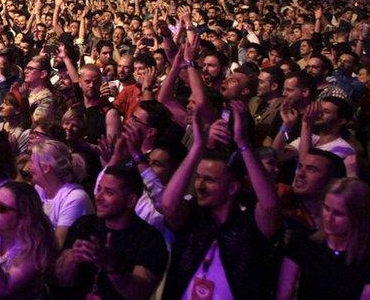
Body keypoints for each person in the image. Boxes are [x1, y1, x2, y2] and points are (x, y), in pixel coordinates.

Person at [161, 100, 281, 299]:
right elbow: (168, 205)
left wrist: (243, 144)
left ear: (232, 187)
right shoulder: (192, 215)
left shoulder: (248, 223)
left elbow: (270, 207)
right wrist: (197, 146)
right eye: (198, 178)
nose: (199, 185)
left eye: (209, 180)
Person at [56, 164, 169, 299]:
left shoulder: (150, 240)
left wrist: (112, 267)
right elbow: (62, 279)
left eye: (109, 192)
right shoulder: (85, 224)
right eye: (99, 189)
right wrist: (72, 258)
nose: (98, 197)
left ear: (131, 200)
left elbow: (140, 294)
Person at [277, 178, 370, 300]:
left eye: (339, 213)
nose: (328, 218)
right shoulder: (303, 241)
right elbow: (283, 295)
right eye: (326, 208)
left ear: (358, 217)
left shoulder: (365, 257)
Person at [29, 139, 94, 247]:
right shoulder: (39, 189)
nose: (29, 167)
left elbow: (58, 245)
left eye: (32, 162)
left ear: (46, 168)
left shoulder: (74, 198)